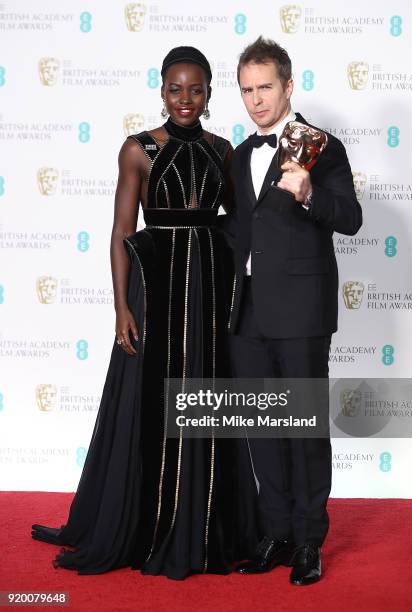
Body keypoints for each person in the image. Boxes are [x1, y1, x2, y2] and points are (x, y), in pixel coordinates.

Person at [32, 46, 255, 580]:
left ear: (209, 92)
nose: (185, 99)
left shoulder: (224, 150)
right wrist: (119, 308)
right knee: (146, 399)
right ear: (161, 91)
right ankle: (141, 524)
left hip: (205, 292)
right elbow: (120, 232)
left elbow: (242, 223)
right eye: (175, 89)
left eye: (196, 89)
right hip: (153, 292)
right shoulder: (137, 150)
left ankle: (203, 524)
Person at [228, 37, 362, 585]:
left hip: (302, 312)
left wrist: (310, 194)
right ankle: (277, 532)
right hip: (249, 313)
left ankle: (309, 541)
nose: (256, 101)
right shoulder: (239, 155)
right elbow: (239, 230)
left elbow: (350, 218)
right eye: (246, 91)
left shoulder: (321, 147)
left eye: (265, 88)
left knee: (303, 428)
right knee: (263, 427)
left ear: (288, 85)